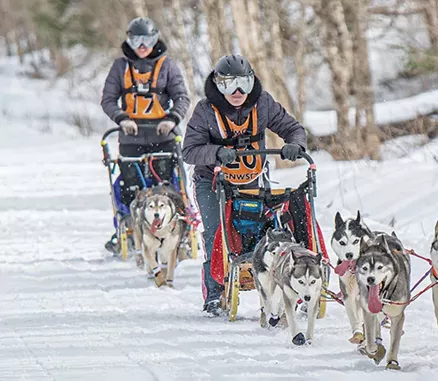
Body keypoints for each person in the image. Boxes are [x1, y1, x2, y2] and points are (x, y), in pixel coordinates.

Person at [182, 54, 307, 315]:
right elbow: (190, 151)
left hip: (253, 177)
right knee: (217, 232)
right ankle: (214, 291)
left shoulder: (263, 104)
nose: (237, 92)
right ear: (218, 85)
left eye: (243, 84)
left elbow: (293, 128)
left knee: (264, 229)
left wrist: (295, 145)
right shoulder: (205, 111)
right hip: (212, 180)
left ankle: (275, 280)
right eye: (229, 85)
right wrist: (216, 152)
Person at [100, 17, 190, 253]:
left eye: (147, 40)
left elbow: (182, 97)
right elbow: (108, 99)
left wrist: (172, 119)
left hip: (163, 137)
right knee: (131, 188)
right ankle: (131, 228)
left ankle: (177, 227)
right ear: (129, 41)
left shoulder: (168, 66)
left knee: (166, 186)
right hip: (131, 137)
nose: (142, 46)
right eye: (136, 40)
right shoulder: (120, 67)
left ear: (155, 39)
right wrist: (122, 118)